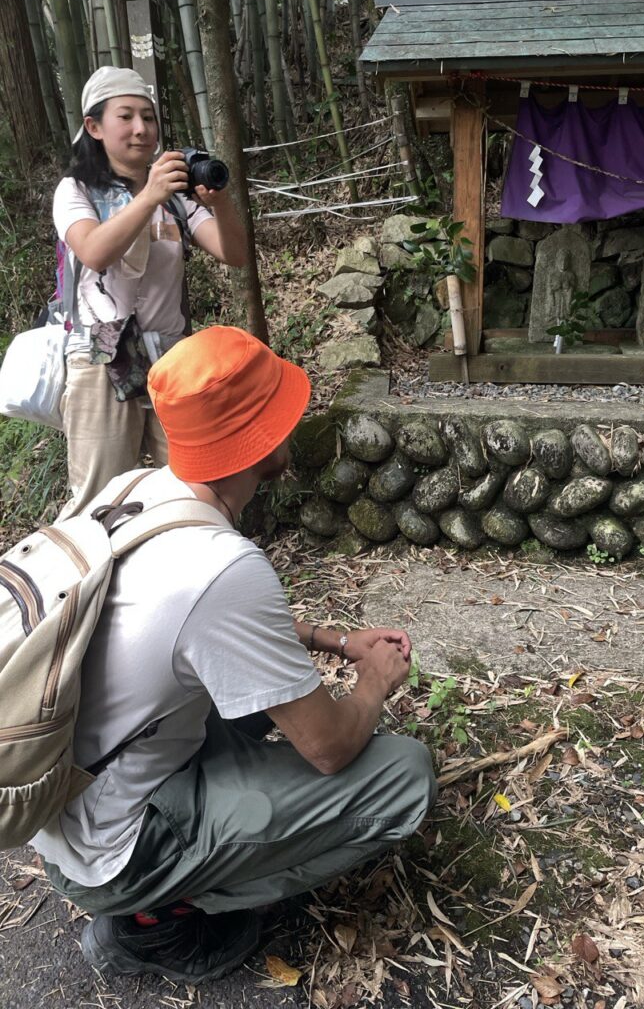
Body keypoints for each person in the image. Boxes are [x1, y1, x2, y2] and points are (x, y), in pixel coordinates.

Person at [32, 325, 436, 984]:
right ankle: (156, 921)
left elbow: (210, 625)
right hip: (116, 853)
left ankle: (165, 881)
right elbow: (329, 748)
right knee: (403, 774)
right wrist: (373, 680)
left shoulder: (132, 490)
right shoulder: (223, 566)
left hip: (67, 805)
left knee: (274, 710)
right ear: (263, 438)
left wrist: (333, 641)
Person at [54, 66, 248, 519]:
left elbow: (233, 253)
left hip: (172, 360)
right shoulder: (75, 190)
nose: (142, 128)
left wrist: (218, 204)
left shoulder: (176, 197)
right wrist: (148, 196)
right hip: (102, 360)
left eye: (148, 116)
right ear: (94, 126)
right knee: (97, 499)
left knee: (193, 484)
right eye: (126, 116)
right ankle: (86, 585)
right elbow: (95, 251)